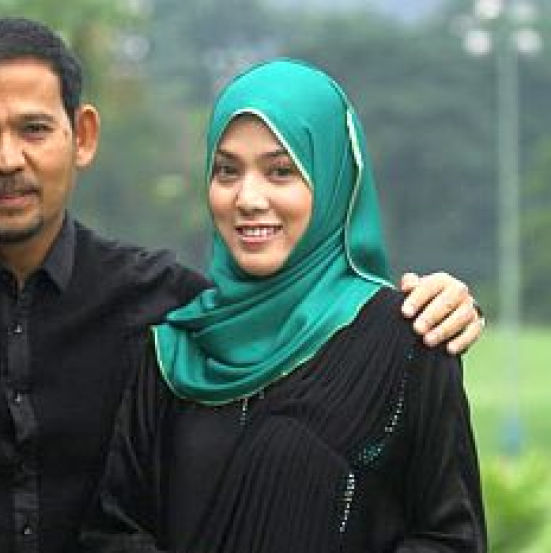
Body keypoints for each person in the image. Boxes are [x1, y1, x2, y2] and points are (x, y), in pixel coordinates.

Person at [0, 19, 483, 553]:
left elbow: (288, 330)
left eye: (34, 129)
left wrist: (440, 304)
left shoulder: (171, 310)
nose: (8, 160)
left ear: (81, 136)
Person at [80, 59, 486, 553]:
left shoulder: (408, 339)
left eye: (280, 171)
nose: (248, 198)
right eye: (227, 171)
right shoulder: (173, 354)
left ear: (333, 180)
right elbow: (113, 531)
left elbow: (450, 537)